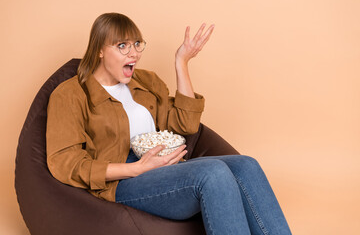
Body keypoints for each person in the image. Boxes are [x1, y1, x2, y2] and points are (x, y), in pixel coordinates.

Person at [46, 12, 292, 235]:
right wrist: (136, 169)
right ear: (99, 50)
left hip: (165, 167)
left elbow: (186, 125)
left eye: (136, 44)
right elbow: (64, 162)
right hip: (123, 180)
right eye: (122, 46)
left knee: (247, 166)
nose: (133, 54)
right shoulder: (71, 94)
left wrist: (181, 62)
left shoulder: (146, 81)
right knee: (213, 174)